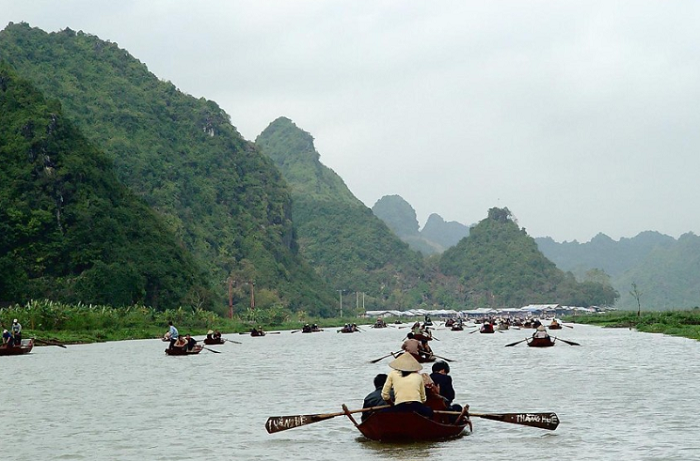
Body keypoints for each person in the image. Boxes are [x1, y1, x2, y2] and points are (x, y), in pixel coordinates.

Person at [381, 352, 433, 418]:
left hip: (400, 406)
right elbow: (423, 399)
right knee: (430, 411)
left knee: (382, 412)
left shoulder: (392, 374)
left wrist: (392, 404)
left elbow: (385, 395)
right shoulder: (418, 376)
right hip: (416, 405)